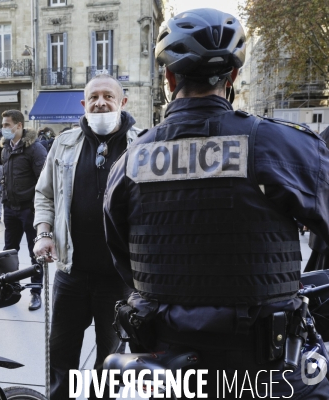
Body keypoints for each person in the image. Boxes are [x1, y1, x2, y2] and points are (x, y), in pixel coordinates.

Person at [104, 9, 329, 399]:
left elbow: (123, 257)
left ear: (169, 79)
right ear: (233, 78)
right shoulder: (281, 146)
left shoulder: (130, 161)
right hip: (266, 370)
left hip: (166, 368)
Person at [33, 74, 139, 399]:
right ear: (84, 104)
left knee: (110, 365)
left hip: (118, 279)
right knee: (61, 358)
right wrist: (43, 232)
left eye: (108, 96)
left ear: (122, 102)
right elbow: (44, 194)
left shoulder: (143, 145)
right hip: (71, 274)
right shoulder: (64, 143)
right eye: (93, 97)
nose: (100, 102)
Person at [1, 110, 47, 310]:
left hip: (30, 209)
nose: (4, 129)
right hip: (10, 208)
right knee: (9, 252)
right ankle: (11, 287)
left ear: (19, 126)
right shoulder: (6, 149)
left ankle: (36, 292)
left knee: (34, 253)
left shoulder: (35, 149)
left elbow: (44, 181)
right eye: (3, 125)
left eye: (7, 125)